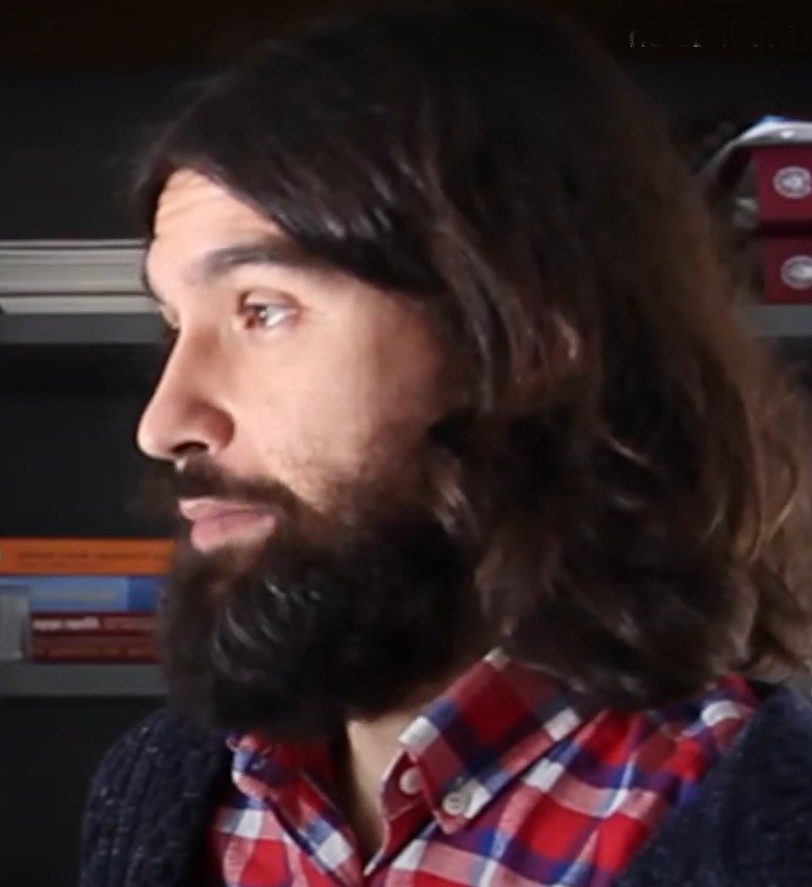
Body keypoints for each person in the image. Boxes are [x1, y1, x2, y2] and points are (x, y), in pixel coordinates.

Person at [80, 6, 812, 887]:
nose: (163, 422)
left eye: (262, 311)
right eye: (174, 323)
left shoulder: (769, 825)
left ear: (527, 340)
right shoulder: (158, 789)